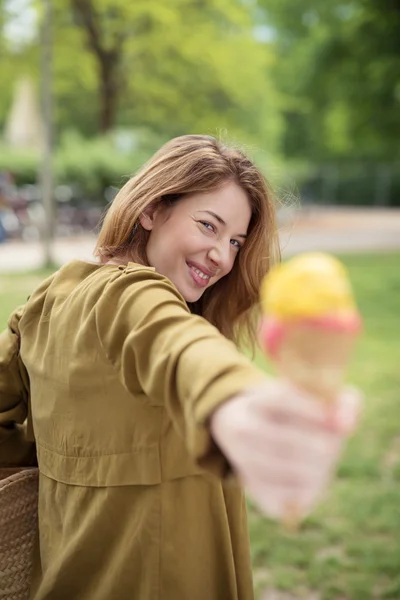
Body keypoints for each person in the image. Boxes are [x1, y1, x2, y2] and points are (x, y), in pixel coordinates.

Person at [0, 135, 358, 600]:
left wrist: (56, 462)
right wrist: (235, 403)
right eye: (208, 226)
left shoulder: (45, 301)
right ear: (151, 210)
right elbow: (174, 345)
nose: (223, 257)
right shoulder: (132, 295)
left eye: (235, 241)